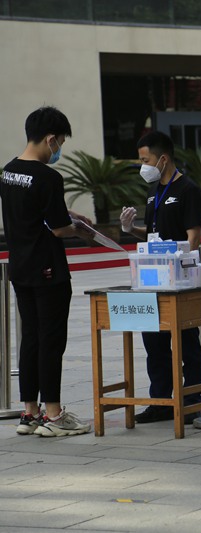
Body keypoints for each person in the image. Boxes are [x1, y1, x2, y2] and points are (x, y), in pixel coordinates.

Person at [1, 106, 94, 437]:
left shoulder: (8, 172)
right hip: (48, 270)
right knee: (52, 340)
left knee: (31, 339)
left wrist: (66, 214)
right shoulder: (49, 176)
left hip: (21, 267)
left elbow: (34, 211)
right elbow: (58, 228)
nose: (58, 150)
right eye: (60, 143)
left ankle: (30, 412)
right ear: (51, 139)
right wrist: (81, 229)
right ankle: (53, 414)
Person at [119, 131, 201, 425]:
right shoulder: (154, 191)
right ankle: (161, 399)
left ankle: (192, 398)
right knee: (154, 342)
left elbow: (193, 238)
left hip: (179, 280)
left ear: (163, 158)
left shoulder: (187, 189)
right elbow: (153, 234)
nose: (143, 165)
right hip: (152, 277)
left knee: (187, 340)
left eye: (146, 160)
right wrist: (131, 230)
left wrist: (177, 262)